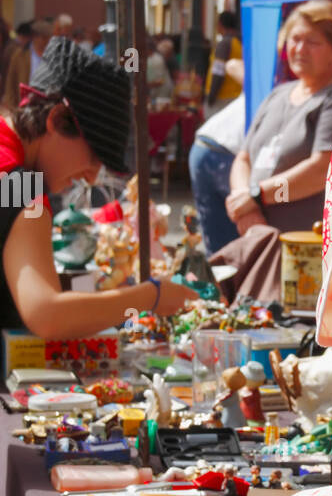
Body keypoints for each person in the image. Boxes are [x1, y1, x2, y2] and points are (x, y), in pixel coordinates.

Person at [0, 37, 197, 335]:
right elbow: (46, 314)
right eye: (93, 157)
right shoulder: (21, 187)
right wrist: (151, 296)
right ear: (56, 120)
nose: (91, 177)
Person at [226, 0, 332, 238]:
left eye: (313, 42)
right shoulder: (279, 94)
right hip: (257, 235)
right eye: (295, 39)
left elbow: (321, 168)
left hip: (305, 243)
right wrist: (244, 204)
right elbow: (243, 158)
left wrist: (258, 196)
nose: (300, 49)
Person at [188, 57, 246, 256]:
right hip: (217, 151)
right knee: (224, 253)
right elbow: (231, 64)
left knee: (226, 250)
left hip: (215, 150)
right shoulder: (274, 82)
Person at [4, 20, 51, 108]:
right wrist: (12, 107)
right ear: (35, 37)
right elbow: (10, 83)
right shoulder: (20, 55)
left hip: (45, 106)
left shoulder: (52, 56)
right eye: (44, 38)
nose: (47, 41)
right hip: (24, 105)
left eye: (49, 38)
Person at [204, 10, 243, 115]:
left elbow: (218, 72)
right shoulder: (241, 42)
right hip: (236, 96)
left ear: (220, 25)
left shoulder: (224, 44)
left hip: (222, 99)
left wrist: (211, 97)